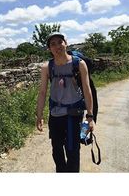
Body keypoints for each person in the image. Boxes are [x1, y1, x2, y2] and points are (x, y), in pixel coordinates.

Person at [36, 32, 95, 172]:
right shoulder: (47, 67)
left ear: (66, 43)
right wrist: (39, 116)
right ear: (49, 49)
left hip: (74, 116)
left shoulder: (79, 64)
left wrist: (90, 117)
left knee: (73, 151)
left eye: (59, 42)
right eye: (53, 44)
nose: (57, 46)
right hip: (55, 116)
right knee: (57, 151)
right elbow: (42, 93)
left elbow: (87, 90)